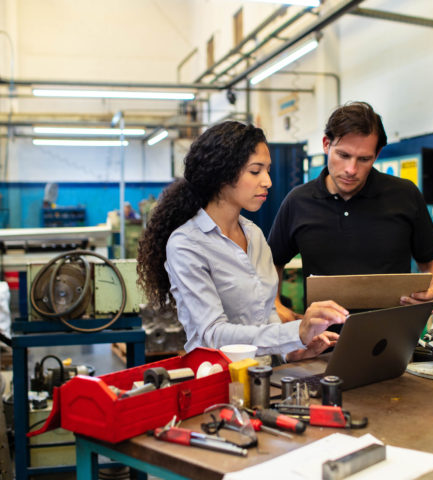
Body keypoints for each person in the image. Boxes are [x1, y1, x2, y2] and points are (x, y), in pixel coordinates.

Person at [137, 121, 349, 362]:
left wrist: (294, 351)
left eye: (267, 170)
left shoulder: (254, 235)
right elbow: (211, 334)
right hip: (218, 383)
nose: (267, 181)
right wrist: (295, 332)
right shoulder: (187, 244)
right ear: (221, 175)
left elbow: (267, 314)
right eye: (255, 171)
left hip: (267, 377)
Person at [268, 101, 433, 323]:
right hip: (319, 344)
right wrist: (275, 305)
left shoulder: (404, 195)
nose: (351, 170)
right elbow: (271, 264)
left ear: (377, 153)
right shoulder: (298, 202)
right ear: (326, 144)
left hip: (393, 340)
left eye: (364, 159)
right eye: (343, 155)